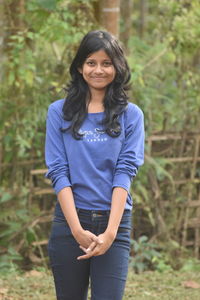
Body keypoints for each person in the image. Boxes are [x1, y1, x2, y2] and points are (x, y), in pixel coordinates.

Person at [45, 30, 144, 300]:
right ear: (80, 67)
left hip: (114, 223)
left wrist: (110, 232)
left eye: (106, 63)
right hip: (69, 223)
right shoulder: (58, 112)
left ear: (118, 67)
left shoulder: (131, 115)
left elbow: (125, 171)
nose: (98, 70)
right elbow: (58, 171)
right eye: (91, 62)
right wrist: (76, 229)